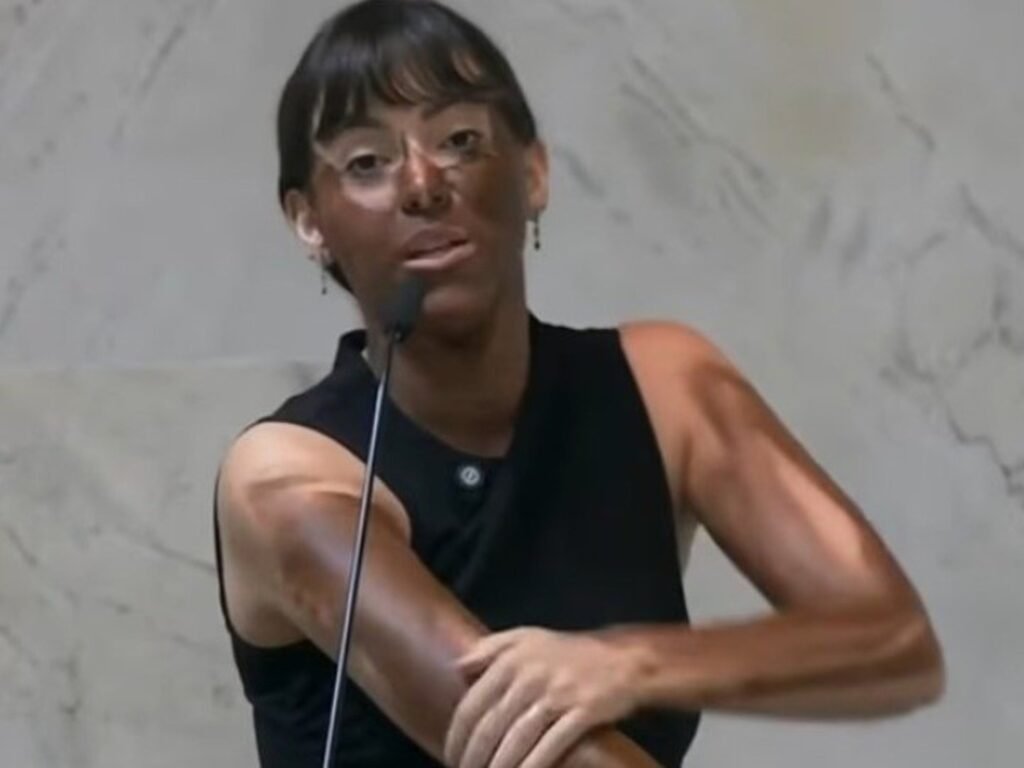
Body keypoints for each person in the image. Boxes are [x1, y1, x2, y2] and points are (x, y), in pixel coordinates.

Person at [212, 1, 946, 766]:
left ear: (533, 174)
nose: (422, 184)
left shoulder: (663, 386)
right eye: (367, 163)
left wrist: (632, 663)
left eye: (460, 140)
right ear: (309, 221)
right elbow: (518, 741)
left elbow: (892, 641)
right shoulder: (284, 478)